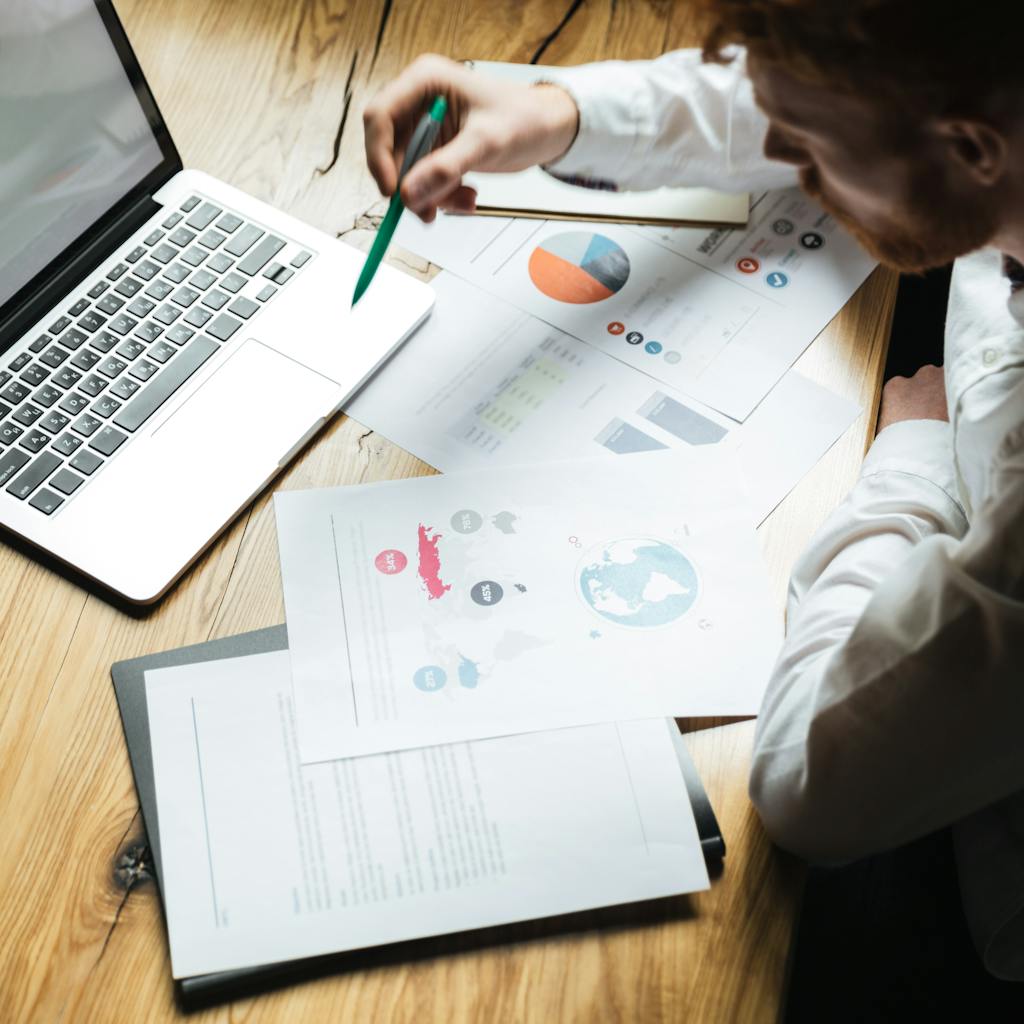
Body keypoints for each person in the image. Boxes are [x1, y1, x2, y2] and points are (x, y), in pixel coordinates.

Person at [362, 0, 1024, 984]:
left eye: (807, 157)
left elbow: (810, 791)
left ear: (970, 146)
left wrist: (912, 466)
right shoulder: (987, 114)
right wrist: (555, 111)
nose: (795, 171)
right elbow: (829, 103)